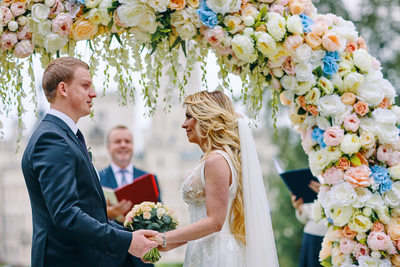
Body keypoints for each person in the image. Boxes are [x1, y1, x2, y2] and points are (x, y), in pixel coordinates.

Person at [21, 57, 158, 267]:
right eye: (85, 86)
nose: (93, 93)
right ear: (63, 89)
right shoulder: (52, 139)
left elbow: (91, 212)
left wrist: (133, 236)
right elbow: (66, 215)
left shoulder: (65, 135)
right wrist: (127, 241)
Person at [153, 90, 279, 266]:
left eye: (189, 117)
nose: (183, 124)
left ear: (206, 119)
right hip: (202, 247)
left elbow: (215, 222)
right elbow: (203, 220)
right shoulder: (215, 159)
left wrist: (165, 237)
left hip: (216, 254)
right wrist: (170, 243)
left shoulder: (216, 161)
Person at [100, 125, 161, 267]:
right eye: (117, 141)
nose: (123, 145)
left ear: (133, 146)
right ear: (108, 147)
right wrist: (108, 214)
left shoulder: (149, 178)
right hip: (108, 258)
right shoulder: (96, 179)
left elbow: (159, 217)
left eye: (127, 141)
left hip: (142, 260)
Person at [291, 180, 327, 267]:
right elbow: (306, 216)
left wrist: (326, 195)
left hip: (334, 237)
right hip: (310, 237)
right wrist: (299, 209)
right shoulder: (314, 176)